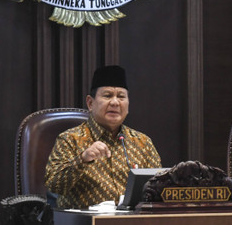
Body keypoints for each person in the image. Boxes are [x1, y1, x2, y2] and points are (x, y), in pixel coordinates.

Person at [44, 65, 161, 209]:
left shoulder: (143, 142)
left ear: (128, 104)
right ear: (90, 103)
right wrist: (82, 160)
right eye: (107, 96)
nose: (115, 102)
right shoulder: (70, 139)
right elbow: (54, 185)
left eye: (121, 96)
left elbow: (160, 189)